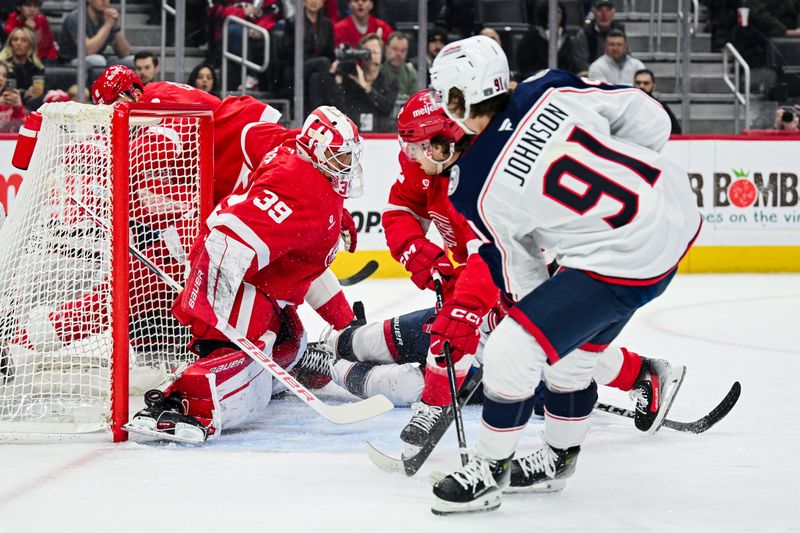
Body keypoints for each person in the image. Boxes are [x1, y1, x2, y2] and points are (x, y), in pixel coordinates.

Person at [303, 91, 688, 442]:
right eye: (409, 145)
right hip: (468, 284)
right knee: (412, 339)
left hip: (522, 281)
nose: (411, 155)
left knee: (546, 350)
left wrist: (463, 315)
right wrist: (419, 253)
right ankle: (330, 350)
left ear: (444, 141)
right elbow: (401, 209)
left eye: (417, 146)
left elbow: (496, 258)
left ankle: (639, 374)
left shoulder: (487, 178)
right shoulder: (427, 163)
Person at [427, 35, 699, 514]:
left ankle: (490, 469)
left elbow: (521, 272)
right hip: (674, 210)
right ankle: (558, 459)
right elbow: (648, 115)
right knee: (570, 360)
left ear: (457, 97)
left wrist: (537, 325)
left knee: (515, 346)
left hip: (622, 261)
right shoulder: (547, 87)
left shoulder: (473, 186)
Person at [125, 106, 365, 443]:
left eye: (348, 158)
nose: (348, 167)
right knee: (249, 382)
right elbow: (231, 238)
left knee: (291, 337)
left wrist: (343, 319)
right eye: (339, 158)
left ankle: (235, 368)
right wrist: (208, 296)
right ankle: (182, 407)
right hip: (235, 283)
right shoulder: (302, 189)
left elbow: (250, 134)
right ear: (315, 152)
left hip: (253, 284)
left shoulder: (295, 156)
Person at [330, 32, 398, 132]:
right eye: (367, 52)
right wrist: (337, 80)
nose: (371, 57)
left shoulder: (390, 81)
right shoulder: (350, 79)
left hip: (381, 136)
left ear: (382, 55)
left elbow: (387, 108)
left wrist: (366, 87)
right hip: (353, 134)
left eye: (375, 52)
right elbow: (338, 110)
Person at [280, 0, 336, 109]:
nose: (314, 2)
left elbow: (330, 52)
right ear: (303, 2)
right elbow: (286, 52)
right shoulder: (293, 22)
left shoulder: (327, 24)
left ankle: (316, 112)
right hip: (296, 67)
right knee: (323, 63)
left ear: (323, 2)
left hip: (318, 69)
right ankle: (329, 105)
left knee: (316, 78)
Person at [57, 0, 134, 68]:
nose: (104, 1)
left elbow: (125, 53)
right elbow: (88, 50)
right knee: (98, 60)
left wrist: (115, 26)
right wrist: (108, 25)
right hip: (69, 62)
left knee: (133, 61)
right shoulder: (76, 18)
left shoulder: (107, 18)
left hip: (97, 59)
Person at [517, 2, 579, 77]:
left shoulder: (566, 38)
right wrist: (536, 72)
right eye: (552, 12)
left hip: (561, 79)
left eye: (558, 12)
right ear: (545, 14)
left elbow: (571, 65)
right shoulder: (532, 36)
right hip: (537, 78)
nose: (555, 15)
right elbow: (524, 63)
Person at [572, 0, 625, 75]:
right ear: (593, 12)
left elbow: (625, 58)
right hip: (592, 78)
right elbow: (581, 65)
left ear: (613, 13)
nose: (604, 14)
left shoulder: (620, 31)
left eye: (608, 10)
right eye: (600, 10)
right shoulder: (584, 33)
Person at [0, 27, 44, 107]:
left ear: (30, 44)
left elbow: (39, 94)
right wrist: (25, 93)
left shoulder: (38, 68)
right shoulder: (2, 66)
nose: (19, 43)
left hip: (30, 107)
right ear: (10, 43)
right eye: (15, 39)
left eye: (24, 40)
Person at [634, 68, 681, 134]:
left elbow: (676, 132)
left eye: (646, 83)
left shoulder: (661, 108)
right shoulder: (626, 106)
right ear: (633, 85)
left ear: (653, 86)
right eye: (638, 83)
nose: (641, 86)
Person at [381, 31, 416, 103]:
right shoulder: (378, 71)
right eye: (395, 49)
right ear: (386, 48)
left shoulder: (410, 73)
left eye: (403, 50)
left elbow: (415, 100)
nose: (399, 54)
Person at [0, 61, 26, 133]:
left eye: (4, 76)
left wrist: (19, 109)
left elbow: (23, 130)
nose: (1, 78)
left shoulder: (8, 102)